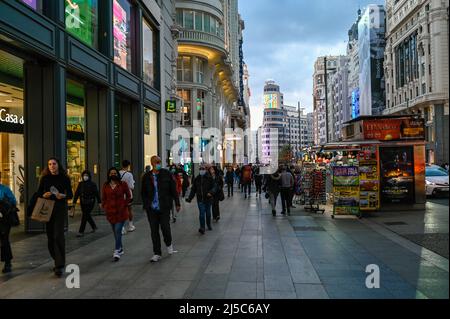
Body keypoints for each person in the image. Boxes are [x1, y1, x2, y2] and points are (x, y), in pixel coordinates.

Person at [36, 158, 73, 277]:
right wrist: (44, 194)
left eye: (54, 164)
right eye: (50, 164)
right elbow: (38, 193)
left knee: (58, 235)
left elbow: (70, 195)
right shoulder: (45, 178)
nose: (52, 166)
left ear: (58, 165)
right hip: (47, 208)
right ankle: (57, 258)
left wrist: (63, 195)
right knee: (50, 237)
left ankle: (59, 265)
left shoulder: (64, 178)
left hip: (60, 208)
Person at [141, 156, 180, 263]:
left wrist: (177, 203)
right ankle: (157, 253)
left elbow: (173, 189)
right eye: (156, 162)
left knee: (165, 228)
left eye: (159, 161)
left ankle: (169, 244)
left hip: (164, 207)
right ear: (152, 163)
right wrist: (146, 204)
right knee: (154, 231)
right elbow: (143, 192)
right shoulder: (146, 177)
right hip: (152, 209)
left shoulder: (166, 174)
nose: (158, 163)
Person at [101, 167, 131, 262]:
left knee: (118, 230)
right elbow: (104, 197)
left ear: (117, 174)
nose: (113, 175)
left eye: (115, 173)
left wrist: (125, 204)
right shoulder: (105, 185)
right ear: (109, 175)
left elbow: (129, 195)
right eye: (111, 173)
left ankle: (117, 250)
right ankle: (120, 248)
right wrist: (105, 206)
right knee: (115, 232)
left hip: (121, 212)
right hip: (110, 212)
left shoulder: (122, 184)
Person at [186, 165, 217, 234]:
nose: (201, 170)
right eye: (200, 169)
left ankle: (208, 224)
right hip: (200, 199)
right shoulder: (197, 179)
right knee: (202, 214)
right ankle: (202, 227)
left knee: (208, 213)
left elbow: (215, 187)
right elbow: (193, 190)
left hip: (208, 199)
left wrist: (210, 192)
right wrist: (189, 198)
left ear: (205, 170)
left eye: (203, 169)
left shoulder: (209, 178)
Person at [72, 170, 100, 237]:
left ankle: (81, 231)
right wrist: (74, 202)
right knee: (87, 215)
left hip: (90, 202)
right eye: (84, 175)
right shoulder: (80, 184)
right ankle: (94, 227)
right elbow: (77, 193)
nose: (85, 177)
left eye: (86, 175)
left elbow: (97, 193)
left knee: (84, 216)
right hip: (83, 202)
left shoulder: (93, 184)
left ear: (89, 176)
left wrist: (99, 202)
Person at [0, 182, 16, 273]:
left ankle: (7, 263)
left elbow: (13, 201)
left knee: (4, 240)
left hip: (4, 220)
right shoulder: (4, 189)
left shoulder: (5, 189)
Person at [119, 160, 136, 234]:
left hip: (119, 195)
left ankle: (121, 228)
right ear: (128, 165)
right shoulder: (129, 175)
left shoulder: (117, 173)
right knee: (129, 210)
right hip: (128, 195)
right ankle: (130, 225)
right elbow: (131, 187)